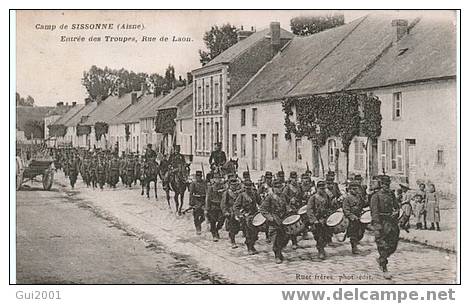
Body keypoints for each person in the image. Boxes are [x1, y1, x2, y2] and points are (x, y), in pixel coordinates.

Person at [370, 175, 400, 280]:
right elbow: (374, 213)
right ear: (380, 185)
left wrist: (396, 213)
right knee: (383, 246)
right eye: (384, 184)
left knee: (393, 245)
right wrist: (377, 227)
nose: (386, 186)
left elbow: (396, 206)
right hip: (381, 223)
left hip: (391, 223)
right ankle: (384, 267)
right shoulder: (375, 196)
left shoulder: (391, 194)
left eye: (387, 184)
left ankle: (381, 259)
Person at [260, 179, 291, 264]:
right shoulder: (270, 197)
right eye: (276, 187)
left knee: (285, 237)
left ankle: (279, 251)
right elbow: (262, 209)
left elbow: (288, 204)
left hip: (283, 219)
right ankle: (277, 255)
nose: (278, 189)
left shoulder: (284, 196)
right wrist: (269, 217)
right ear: (273, 188)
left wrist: (289, 208)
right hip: (274, 221)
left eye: (280, 187)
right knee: (276, 238)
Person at [306, 181, 334, 260]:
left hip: (325, 219)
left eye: (323, 188)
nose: (322, 190)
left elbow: (329, 206)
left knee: (326, 235)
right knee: (319, 236)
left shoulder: (326, 196)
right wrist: (314, 220)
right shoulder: (313, 197)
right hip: (317, 220)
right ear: (317, 188)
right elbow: (309, 210)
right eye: (320, 189)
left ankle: (322, 248)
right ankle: (320, 250)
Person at [234, 180, 261, 255]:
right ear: (244, 188)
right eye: (247, 188)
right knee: (248, 233)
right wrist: (239, 214)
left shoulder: (255, 194)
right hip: (246, 216)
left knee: (255, 233)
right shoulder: (242, 195)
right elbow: (236, 206)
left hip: (254, 215)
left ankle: (252, 246)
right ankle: (249, 248)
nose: (249, 190)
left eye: (250, 188)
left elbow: (260, 202)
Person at [342, 181, 366, 254]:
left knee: (361, 233)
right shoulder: (347, 198)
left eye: (357, 189)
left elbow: (363, 205)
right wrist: (351, 216)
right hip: (352, 219)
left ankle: (356, 243)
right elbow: (346, 210)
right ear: (350, 189)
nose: (356, 190)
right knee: (353, 234)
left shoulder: (359, 197)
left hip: (359, 217)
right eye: (354, 189)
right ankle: (354, 247)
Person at [221, 177, 243, 248]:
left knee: (241, 226)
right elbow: (223, 204)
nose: (234, 186)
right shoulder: (226, 193)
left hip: (238, 210)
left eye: (235, 185)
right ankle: (233, 241)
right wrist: (225, 212)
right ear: (229, 185)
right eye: (232, 185)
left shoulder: (239, 193)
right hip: (231, 211)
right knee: (232, 227)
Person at [205, 172, 226, 242]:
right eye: (216, 178)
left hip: (221, 206)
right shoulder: (211, 187)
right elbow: (208, 198)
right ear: (214, 179)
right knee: (213, 221)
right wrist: (207, 208)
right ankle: (214, 234)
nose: (218, 180)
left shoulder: (223, 187)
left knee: (221, 220)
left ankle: (217, 229)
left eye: (219, 178)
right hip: (213, 206)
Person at [283, 171, 301, 249]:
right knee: (290, 226)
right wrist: (290, 202)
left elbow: (301, 196)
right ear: (290, 178)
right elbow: (283, 198)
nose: (294, 179)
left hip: (297, 207)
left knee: (295, 226)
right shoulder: (287, 188)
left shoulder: (298, 186)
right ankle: (290, 243)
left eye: (295, 178)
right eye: (293, 178)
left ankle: (294, 242)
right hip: (289, 209)